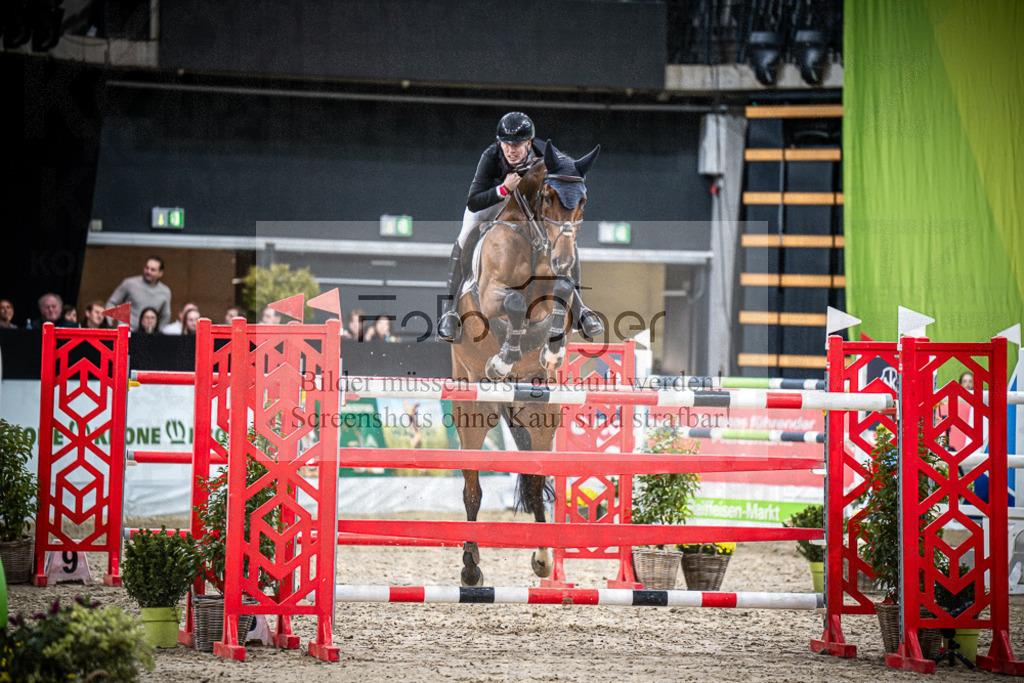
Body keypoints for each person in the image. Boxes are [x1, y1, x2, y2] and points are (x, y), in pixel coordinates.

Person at [436, 111, 603, 342]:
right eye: (506, 144)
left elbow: (568, 171)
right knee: (466, 235)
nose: (511, 150)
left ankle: (580, 311)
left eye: (517, 144)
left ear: (529, 143)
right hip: (494, 202)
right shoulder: (490, 157)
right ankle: (450, 311)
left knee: (565, 239)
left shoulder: (546, 153)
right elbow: (473, 201)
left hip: (528, 208)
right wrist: (503, 189)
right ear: (499, 142)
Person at [106, 256, 172, 330]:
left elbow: (165, 315)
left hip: (148, 335)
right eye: (147, 268)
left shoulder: (165, 291)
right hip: (127, 332)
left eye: (153, 270)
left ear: (160, 273)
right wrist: (108, 323)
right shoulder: (130, 283)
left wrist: (159, 332)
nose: (148, 271)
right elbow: (112, 302)